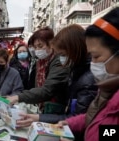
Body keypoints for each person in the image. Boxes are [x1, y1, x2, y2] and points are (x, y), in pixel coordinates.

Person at [16, 25, 97, 135]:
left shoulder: (88, 80)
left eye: (63, 54)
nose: (62, 58)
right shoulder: (75, 71)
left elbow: (78, 119)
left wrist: (38, 117)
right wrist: (38, 117)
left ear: (75, 49)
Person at [57, 7, 119, 141]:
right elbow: (98, 119)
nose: (93, 63)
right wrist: (71, 123)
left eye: (96, 56)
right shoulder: (109, 89)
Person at [7, 27, 70, 114]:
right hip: (42, 107)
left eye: (40, 46)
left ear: (51, 44)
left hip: (56, 109)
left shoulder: (59, 62)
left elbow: (47, 90)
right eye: (35, 47)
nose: (37, 50)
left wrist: (19, 97)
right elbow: (37, 87)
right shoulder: (40, 62)